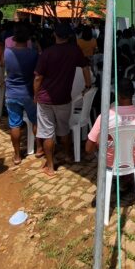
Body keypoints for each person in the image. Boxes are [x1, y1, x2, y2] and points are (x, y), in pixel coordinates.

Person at [34, 23, 91, 177]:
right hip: (64, 98)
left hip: (45, 98)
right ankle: (68, 155)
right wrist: (88, 85)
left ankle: (50, 166)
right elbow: (85, 67)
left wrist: (35, 95)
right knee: (64, 130)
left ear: (55, 34)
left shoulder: (47, 52)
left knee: (47, 133)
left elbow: (38, 78)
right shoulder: (74, 50)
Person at [85, 79, 135, 168]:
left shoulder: (105, 116)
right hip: (134, 162)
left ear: (117, 94)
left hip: (111, 164)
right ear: (133, 92)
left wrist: (99, 144)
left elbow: (88, 148)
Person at [4, 26, 39, 165]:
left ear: (14, 38)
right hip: (28, 93)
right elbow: (37, 73)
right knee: (36, 121)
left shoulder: (7, 52)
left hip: (11, 92)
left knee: (15, 125)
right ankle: (39, 148)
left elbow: (3, 65)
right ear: (28, 39)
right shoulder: (33, 54)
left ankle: (17, 155)